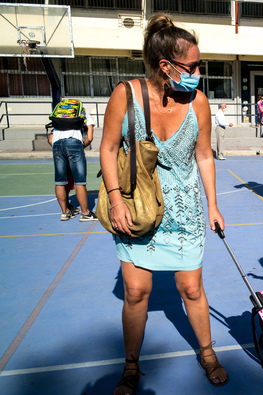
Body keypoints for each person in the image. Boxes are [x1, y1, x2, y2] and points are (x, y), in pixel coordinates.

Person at [99, 13, 229, 394]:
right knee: (136, 292)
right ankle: (131, 366)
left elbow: (204, 155)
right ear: (165, 65)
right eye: (193, 65)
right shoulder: (126, 95)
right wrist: (113, 199)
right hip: (137, 208)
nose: (198, 72)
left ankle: (207, 353)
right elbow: (107, 149)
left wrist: (214, 205)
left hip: (185, 211)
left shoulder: (199, 102)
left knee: (191, 288)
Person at [49, 101, 98, 222]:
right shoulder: (84, 112)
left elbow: (50, 139)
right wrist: (80, 148)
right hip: (74, 143)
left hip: (57, 145)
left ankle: (65, 212)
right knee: (79, 180)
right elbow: (90, 137)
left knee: (60, 181)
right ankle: (85, 213)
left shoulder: (59, 116)